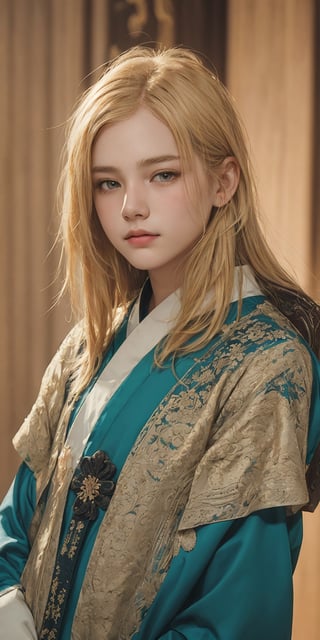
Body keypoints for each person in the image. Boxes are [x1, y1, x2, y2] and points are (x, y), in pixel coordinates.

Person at [0, 45, 320, 640]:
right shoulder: (88, 346)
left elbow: (239, 614)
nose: (130, 207)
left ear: (225, 181)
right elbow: (17, 519)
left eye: (162, 174)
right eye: (107, 183)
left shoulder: (268, 365)